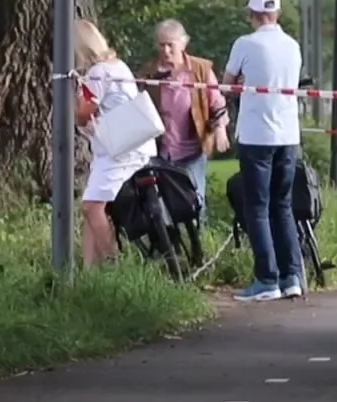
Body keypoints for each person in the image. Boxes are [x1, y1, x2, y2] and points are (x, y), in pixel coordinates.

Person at [224, 0, 304, 302]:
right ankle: (292, 276)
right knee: (282, 206)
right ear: (278, 14)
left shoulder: (246, 44)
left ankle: (266, 279)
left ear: (252, 15)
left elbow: (226, 86)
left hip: (257, 135)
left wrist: (241, 86)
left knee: (256, 207)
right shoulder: (293, 46)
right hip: (288, 135)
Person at [74, 19, 157, 266]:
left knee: (92, 207)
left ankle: (112, 263)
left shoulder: (97, 73)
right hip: (130, 144)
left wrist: (73, 99)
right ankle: (89, 269)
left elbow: (84, 112)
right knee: (93, 206)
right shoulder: (117, 66)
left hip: (117, 150)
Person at [139, 19, 229, 213]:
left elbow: (216, 102)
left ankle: (199, 238)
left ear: (183, 43)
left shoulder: (200, 70)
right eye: (161, 45)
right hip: (162, 149)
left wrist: (220, 128)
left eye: (170, 45)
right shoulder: (150, 72)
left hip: (193, 149)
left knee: (195, 201)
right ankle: (171, 241)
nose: (165, 51)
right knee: (163, 205)